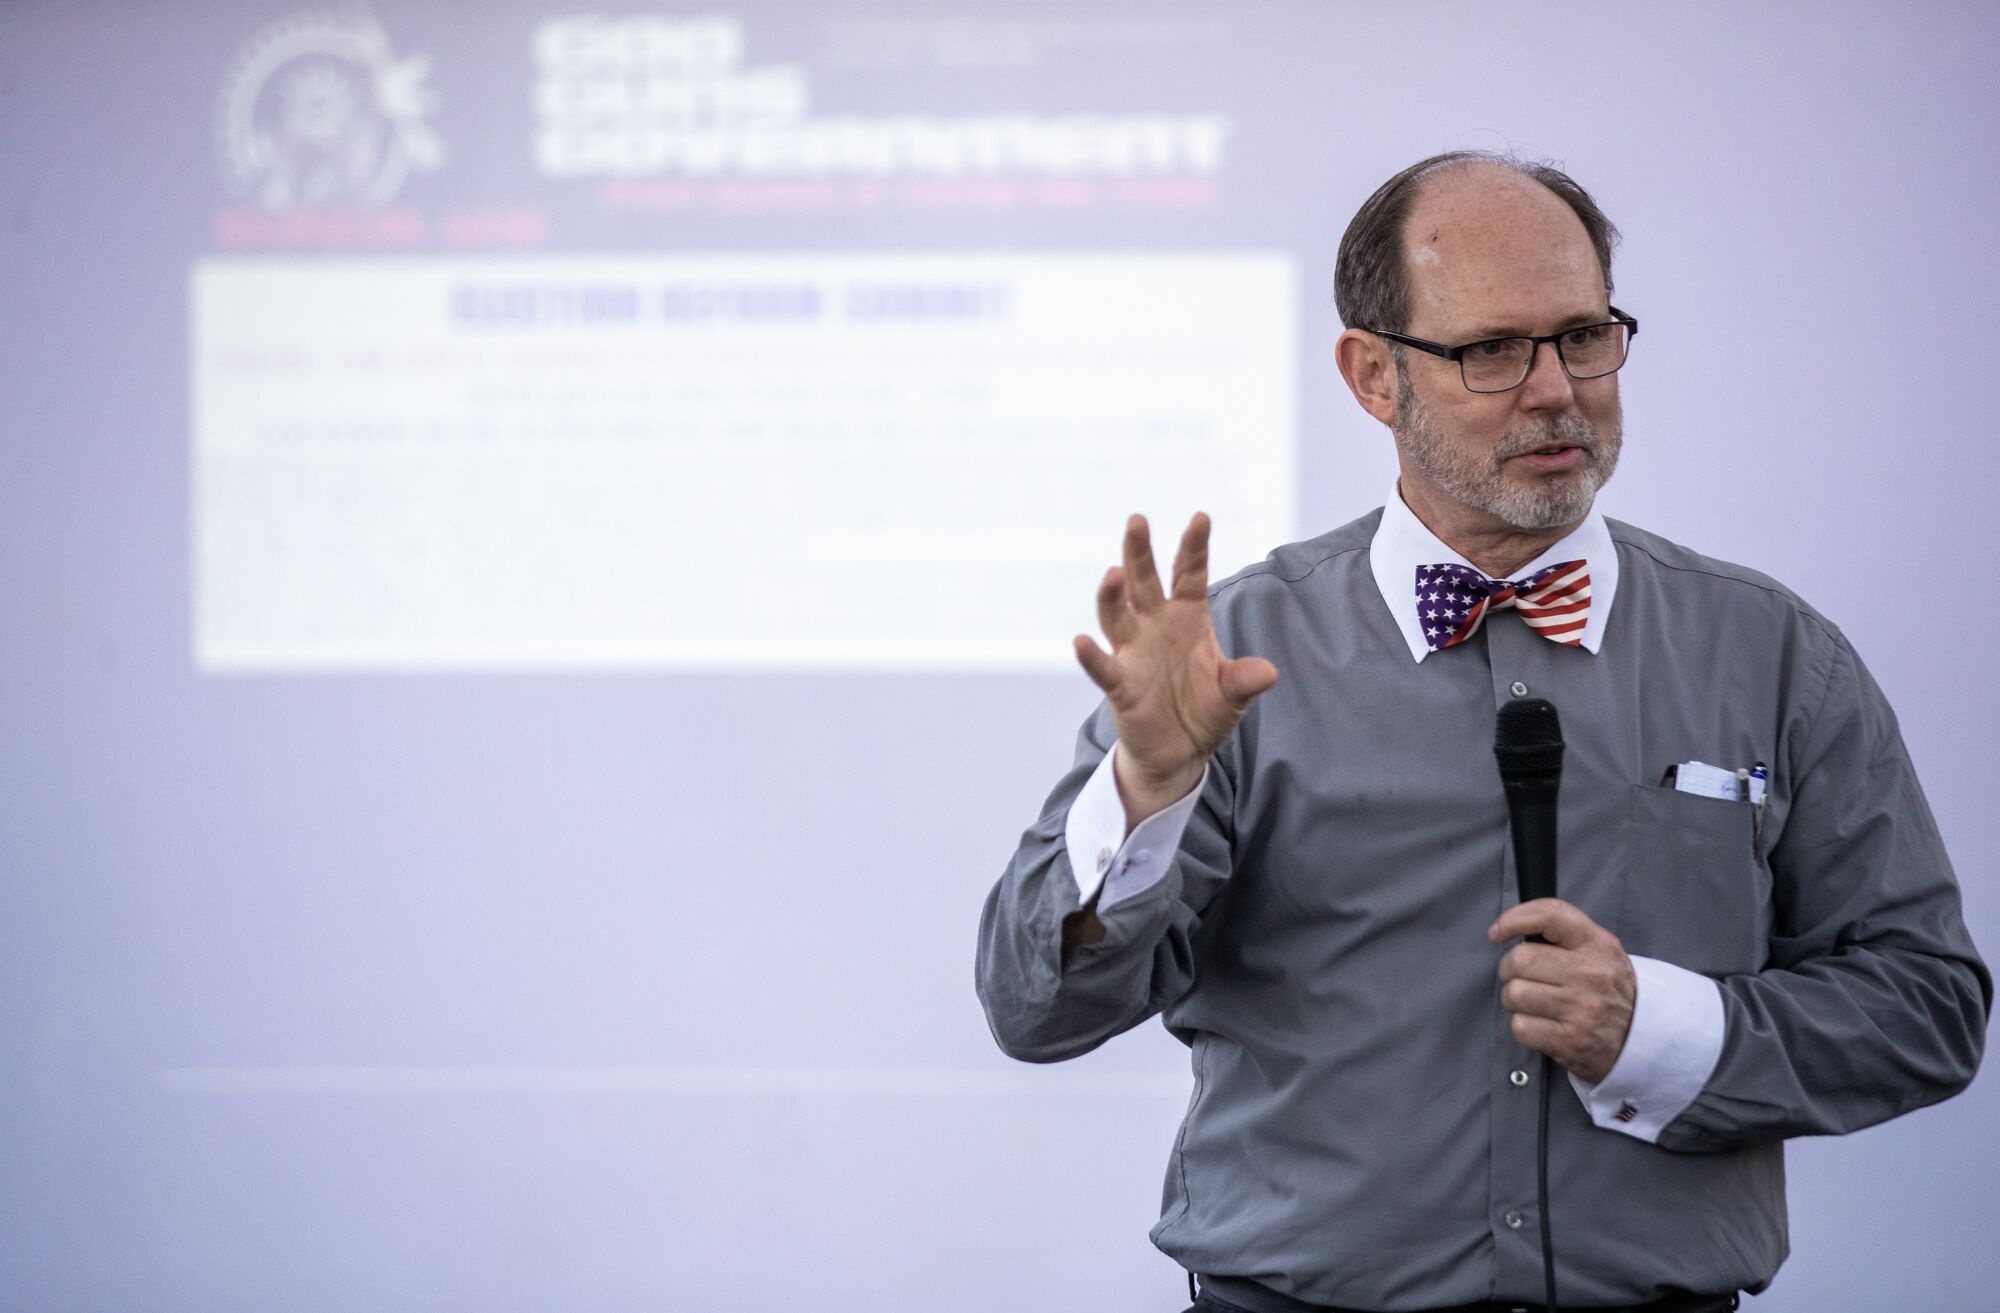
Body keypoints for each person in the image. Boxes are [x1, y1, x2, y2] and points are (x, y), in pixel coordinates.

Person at [974, 151, 1989, 1313]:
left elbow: (1926, 1005)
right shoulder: (1235, 657)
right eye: (1492, 351)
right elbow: (1034, 1008)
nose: (1556, 387)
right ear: (1371, 374)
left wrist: (1658, 1031)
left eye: (1583, 335)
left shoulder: (1769, 652)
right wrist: (1144, 789)